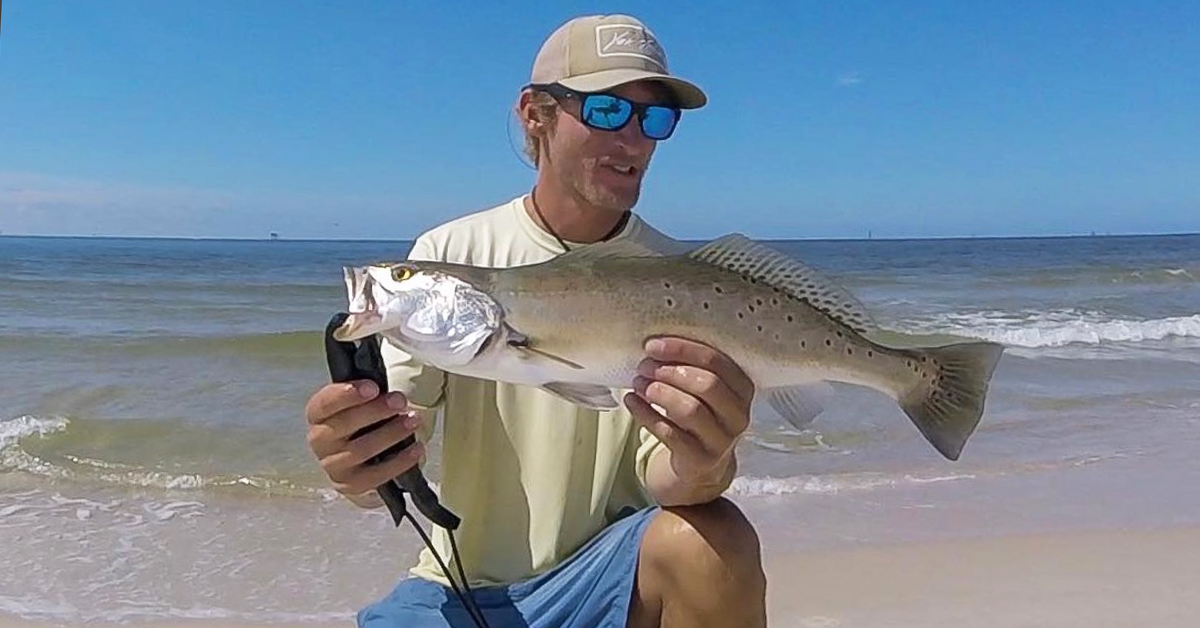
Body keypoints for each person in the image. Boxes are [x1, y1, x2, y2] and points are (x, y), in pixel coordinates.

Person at [304, 14, 768, 628]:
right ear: (535, 114)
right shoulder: (450, 254)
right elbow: (386, 459)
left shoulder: (676, 279)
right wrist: (357, 461)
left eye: (653, 118)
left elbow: (668, 481)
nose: (633, 142)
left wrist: (706, 460)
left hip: (608, 580)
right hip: (460, 585)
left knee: (715, 540)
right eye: (606, 110)